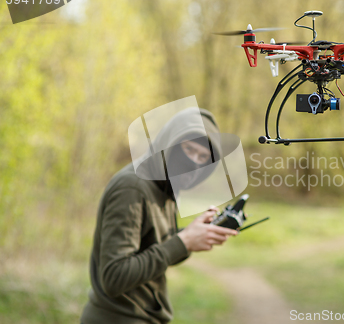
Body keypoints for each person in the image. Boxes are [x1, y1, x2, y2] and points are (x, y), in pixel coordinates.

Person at [80, 108, 238, 324]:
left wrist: (193, 236)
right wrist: (183, 241)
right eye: (188, 149)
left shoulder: (165, 186)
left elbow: (154, 249)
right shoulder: (132, 187)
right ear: (168, 142)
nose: (193, 161)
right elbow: (114, 277)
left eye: (203, 157)